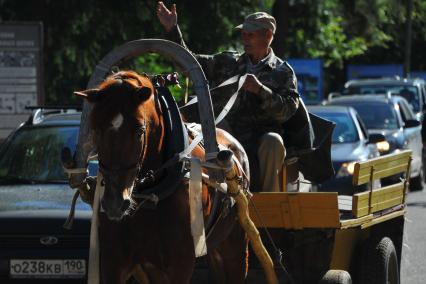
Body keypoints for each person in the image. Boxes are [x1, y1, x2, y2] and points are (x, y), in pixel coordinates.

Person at [156, 2, 300, 192]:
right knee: (203, 132)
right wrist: (172, 30)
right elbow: (190, 64)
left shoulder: (283, 72)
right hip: (226, 133)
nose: (245, 39)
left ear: (268, 36)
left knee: (273, 141)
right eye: (243, 34)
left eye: (251, 34)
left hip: (261, 138)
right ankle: (209, 197)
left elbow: (288, 111)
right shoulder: (228, 62)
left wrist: (261, 91)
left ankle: (268, 202)